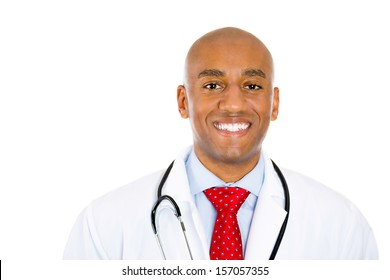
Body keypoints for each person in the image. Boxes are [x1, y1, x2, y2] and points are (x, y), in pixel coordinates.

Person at [63, 27, 378, 260]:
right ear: (183, 101)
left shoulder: (343, 225)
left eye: (252, 85)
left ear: (274, 103)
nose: (232, 104)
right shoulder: (105, 224)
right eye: (213, 85)